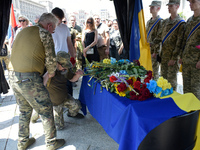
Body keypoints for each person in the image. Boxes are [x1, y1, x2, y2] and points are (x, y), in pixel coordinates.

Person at [8, 13, 65, 150]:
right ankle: (51, 142)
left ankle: (22, 142)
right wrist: (51, 73)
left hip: (13, 76)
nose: (53, 32)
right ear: (49, 25)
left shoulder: (23, 31)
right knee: (45, 109)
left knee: (24, 111)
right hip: (29, 79)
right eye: (54, 29)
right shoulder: (45, 33)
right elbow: (51, 61)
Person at [31, 51, 84, 130]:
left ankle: (70, 114)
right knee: (59, 127)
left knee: (77, 105)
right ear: (57, 63)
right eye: (63, 66)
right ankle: (39, 113)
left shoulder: (65, 70)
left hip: (65, 98)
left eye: (67, 66)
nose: (65, 68)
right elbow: (40, 86)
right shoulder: (47, 69)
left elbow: (72, 79)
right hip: (53, 103)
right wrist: (47, 75)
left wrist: (78, 75)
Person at [151, 0, 185, 90]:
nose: (168, 8)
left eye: (171, 6)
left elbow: (179, 43)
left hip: (172, 58)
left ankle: (171, 101)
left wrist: (174, 58)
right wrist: (149, 44)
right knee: (163, 80)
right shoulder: (165, 22)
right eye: (168, 6)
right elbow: (159, 37)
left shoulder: (181, 23)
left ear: (177, 7)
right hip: (164, 56)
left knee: (171, 82)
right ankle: (164, 100)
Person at [51, 7, 75, 96]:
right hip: (54, 60)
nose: (59, 21)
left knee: (68, 81)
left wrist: (73, 58)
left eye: (60, 19)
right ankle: (59, 103)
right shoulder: (48, 29)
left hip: (65, 59)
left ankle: (70, 100)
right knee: (56, 83)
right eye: (57, 19)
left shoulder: (64, 27)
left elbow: (70, 43)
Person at [180, 0, 200, 100]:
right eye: (189, 2)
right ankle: (188, 113)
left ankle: (197, 114)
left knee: (196, 90)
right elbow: (184, 40)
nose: (190, 4)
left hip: (196, 63)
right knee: (186, 90)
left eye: (193, 2)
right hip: (187, 60)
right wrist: (181, 56)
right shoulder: (189, 20)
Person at [146, 1, 162, 80]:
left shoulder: (160, 22)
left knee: (154, 73)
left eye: (152, 7)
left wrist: (156, 51)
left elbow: (159, 37)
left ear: (158, 8)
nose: (150, 9)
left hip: (153, 52)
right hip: (147, 50)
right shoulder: (149, 22)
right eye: (150, 7)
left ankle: (154, 90)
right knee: (147, 72)